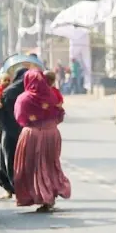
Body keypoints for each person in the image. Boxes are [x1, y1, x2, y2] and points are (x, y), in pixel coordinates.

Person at [13, 69, 71, 212]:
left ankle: (42, 196)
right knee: (50, 165)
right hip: (52, 134)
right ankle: (50, 194)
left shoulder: (24, 98)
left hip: (32, 135)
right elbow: (60, 114)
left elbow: (20, 117)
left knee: (32, 167)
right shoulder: (53, 95)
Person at [0, 67, 29, 199]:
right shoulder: (30, 92)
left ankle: (13, 189)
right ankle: (21, 190)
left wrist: (1, 127)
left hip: (8, 132)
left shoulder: (8, 92)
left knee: (6, 161)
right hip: (25, 132)